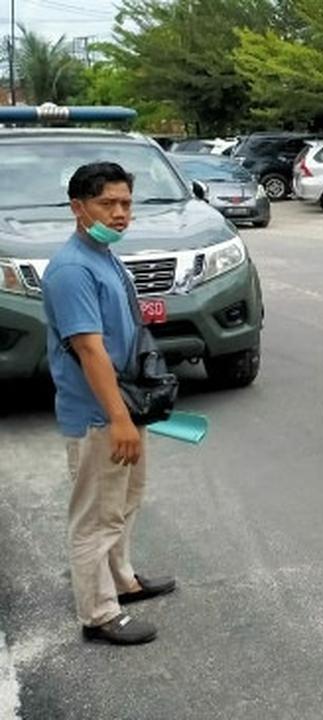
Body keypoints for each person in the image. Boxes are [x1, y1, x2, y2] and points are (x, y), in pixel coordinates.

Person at [41, 163, 177, 646]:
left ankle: (122, 580)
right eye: (107, 204)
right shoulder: (73, 269)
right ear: (78, 208)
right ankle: (98, 613)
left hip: (122, 406)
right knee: (95, 516)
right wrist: (119, 419)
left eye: (125, 203)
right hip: (99, 414)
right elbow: (90, 349)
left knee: (123, 503)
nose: (120, 214)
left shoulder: (103, 254)